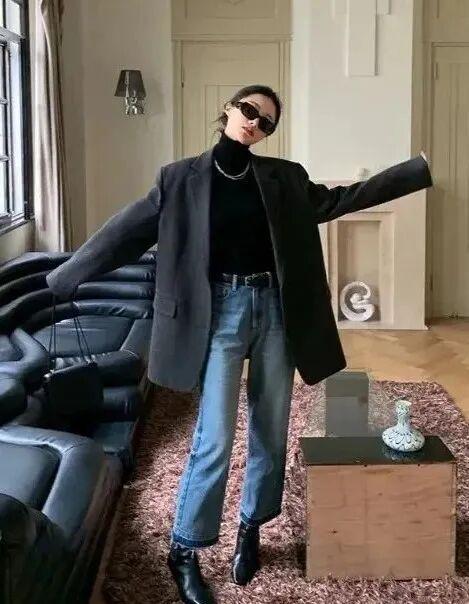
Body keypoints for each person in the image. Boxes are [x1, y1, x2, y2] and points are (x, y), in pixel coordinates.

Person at [46, 84, 433, 604]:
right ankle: (185, 548)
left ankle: (251, 526)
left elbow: (342, 200)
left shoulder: (283, 177)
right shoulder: (178, 178)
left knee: (270, 429)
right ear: (228, 109)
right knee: (215, 435)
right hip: (220, 313)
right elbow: (127, 232)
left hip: (275, 310)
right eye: (249, 110)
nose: (255, 122)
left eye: (266, 121)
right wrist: (66, 276)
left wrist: (413, 172)